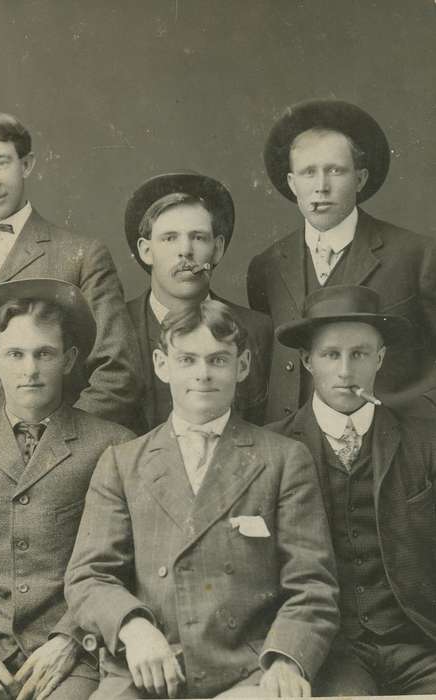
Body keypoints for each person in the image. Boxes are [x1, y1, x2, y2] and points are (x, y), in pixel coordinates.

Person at [64, 300, 339, 699]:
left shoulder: (282, 459)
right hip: (148, 669)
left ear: (242, 366)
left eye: (218, 360)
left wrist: (285, 658)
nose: (203, 375)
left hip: (248, 669)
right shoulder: (123, 463)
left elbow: (312, 584)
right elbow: (89, 576)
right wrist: (134, 629)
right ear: (162, 364)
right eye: (187, 359)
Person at [0, 111, 141, 525]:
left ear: (27, 164)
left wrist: (58, 450)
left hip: (48, 478)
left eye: (1, 162)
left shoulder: (81, 254)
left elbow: (118, 373)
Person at [0, 278, 134, 700]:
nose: (29, 370)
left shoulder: (112, 445)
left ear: (68, 360)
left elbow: (123, 564)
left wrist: (71, 638)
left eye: (43, 354)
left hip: (72, 656)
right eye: (15, 355)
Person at [268, 284, 436, 695]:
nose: (345, 371)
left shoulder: (424, 440)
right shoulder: (272, 448)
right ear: (308, 361)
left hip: (417, 641)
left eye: (359, 354)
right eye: (331, 355)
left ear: (380, 358)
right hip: (331, 650)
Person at [247, 99, 436, 422]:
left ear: (360, 179)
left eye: (335, 170)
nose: (321, 187)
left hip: (390, 446)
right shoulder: (267, 266)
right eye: (308, 173)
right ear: (293, 184)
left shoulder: (417, 255)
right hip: (292, 447)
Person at [125, 171, 272, 431]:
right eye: (170, 238)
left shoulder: (257, 330)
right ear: (146, 251)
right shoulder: (116, 328)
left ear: (217, 249)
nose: (186, 250)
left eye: (198, 237)